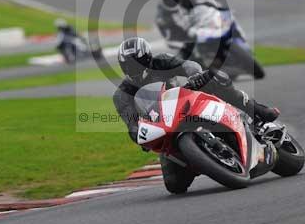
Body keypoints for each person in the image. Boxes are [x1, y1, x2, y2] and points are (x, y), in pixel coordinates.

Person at [112, 37, 279, 144]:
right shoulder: (121, 94)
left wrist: (196, 75)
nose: (132, 68)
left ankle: (259, 111)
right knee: (174, 184)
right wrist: (139, 134)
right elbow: (131, 122)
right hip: (164, 124)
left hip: (185, 100)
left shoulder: (161, 61)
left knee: (215, 78)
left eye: (136, 63)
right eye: (127, 65)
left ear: (147, 58)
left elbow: (187, 65)